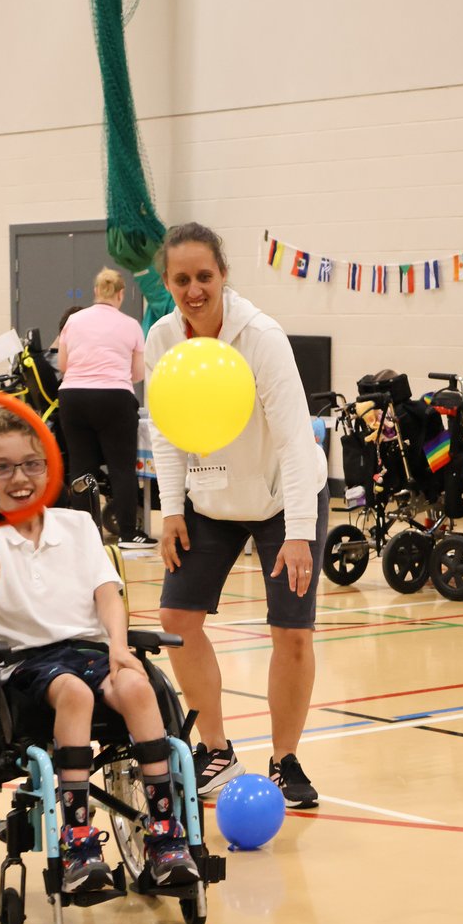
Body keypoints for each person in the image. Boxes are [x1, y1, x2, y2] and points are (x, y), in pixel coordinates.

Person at [0, 408, 199, 892]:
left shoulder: (76, 525)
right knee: (74, 692)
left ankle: (165, 833)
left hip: (89, 649)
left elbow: (106, 593)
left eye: (31, 464)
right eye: (2, 467)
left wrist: (119, 648)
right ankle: (78, 839)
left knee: (138, 685)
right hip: (25, 662)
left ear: (49, 466)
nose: (20, 478)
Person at [145, 223, 329, 807]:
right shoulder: (162, 337)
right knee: (176, 618)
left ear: (223, 274)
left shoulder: (263, 338)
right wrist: (170, 509)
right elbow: (167, 430)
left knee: (291, 633)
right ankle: (217, 752)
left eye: (204, 276)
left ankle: (286, 760)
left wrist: (299, 534)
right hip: (211, 501)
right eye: (182, 279)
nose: (194, 289)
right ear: (167, 282)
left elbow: (298, 442)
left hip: (282, 499)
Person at [53, 267, 157, 549]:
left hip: (73, 397)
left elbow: (63, 365)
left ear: (96, 291)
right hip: (114, 397)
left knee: (80, 468)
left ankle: (84, 536)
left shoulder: (73, 321)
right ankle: (127, 533)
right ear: (121, 294)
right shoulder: (131, 325)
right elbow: (137, 374)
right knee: (121, 468)